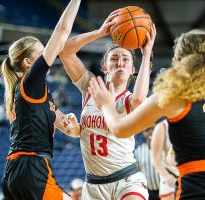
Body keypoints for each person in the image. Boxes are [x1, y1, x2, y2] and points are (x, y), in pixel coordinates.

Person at [88, 29, 205, 200]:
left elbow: (120, 130)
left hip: (200, 185)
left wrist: (107, 105)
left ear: (179, 61)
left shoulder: (174, 96)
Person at [59, 9, 156, 200]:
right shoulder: (91, 87)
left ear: (132, 70)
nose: (120, 62)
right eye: (114, 59)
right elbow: (65, 51)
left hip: (126, 179)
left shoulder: (129, 99)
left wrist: (146, 55)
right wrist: (99, 32)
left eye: (125, 59)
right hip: (94, 185)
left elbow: (139, 100)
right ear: (104, 67)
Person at [1, 0, 81, 199]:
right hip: (31, 168)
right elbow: (62, 30)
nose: (48, 54)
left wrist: (73, 126)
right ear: (28, 62)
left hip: (14, 172)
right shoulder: (30, 83)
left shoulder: (35, 94)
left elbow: (70, 129)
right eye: (42, 52)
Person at [151, 120, 178, 200]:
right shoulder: (162, 126)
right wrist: (167, 176)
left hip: (186, 174)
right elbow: (155, 157)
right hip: (170, 175)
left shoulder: (188, 122)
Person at [134, 127, 160, 200]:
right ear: (143, 133)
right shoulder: (138, 149)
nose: (149, 133)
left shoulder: (163, 145)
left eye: (151, 129)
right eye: (146, 130)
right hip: (148, 192)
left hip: (165, 189)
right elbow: (136, 171)